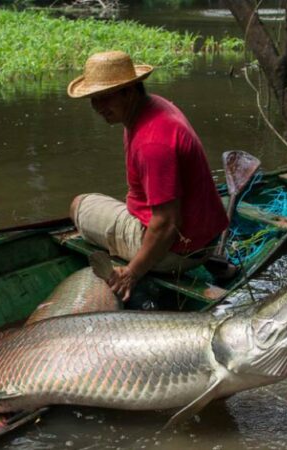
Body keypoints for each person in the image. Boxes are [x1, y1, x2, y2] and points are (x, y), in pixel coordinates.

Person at [67, 51, 229, 302]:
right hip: (205, 241)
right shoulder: (156, 105)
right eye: (93, 99)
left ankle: (154, 261)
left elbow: (166, 223)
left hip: (175, 251)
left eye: (104, 98)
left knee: (79, 205)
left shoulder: (152, 144)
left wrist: (132, 273)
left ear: (128, 92)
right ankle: (211, 261)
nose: (97, 107)